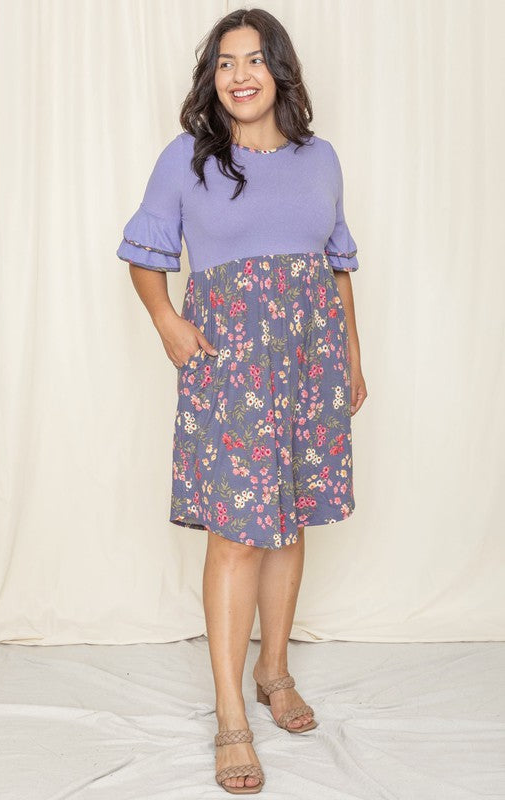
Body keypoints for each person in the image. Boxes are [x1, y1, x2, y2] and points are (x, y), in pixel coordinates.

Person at [116, 7, 367, 794]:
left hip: (308, 361)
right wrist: (167, 323)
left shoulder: (320, 159)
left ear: (281, 71)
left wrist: (352, 356)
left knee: (287, 520)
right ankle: (230, 711)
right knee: (236, 533)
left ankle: (275, 670)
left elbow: (335, 267)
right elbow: (143, 250)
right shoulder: (187, 158)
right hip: (229, 365)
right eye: (225, 62)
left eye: (255, 60)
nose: (240, 75)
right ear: (211, 77)